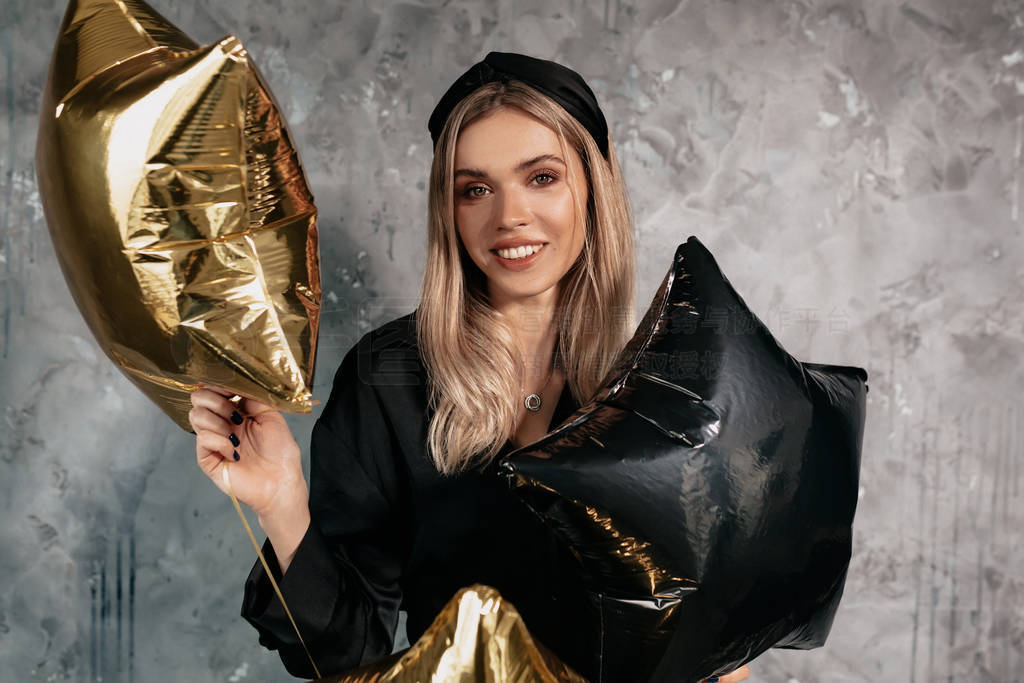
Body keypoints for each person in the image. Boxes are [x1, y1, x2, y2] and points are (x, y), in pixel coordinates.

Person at [189, 52, 750, 683]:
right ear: (448, 211)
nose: (509, 215)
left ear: (593, 187)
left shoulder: (668, 377)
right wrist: (283, 503)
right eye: (475, 189)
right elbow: (349, 657)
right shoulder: (388, 380)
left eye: (542, 177)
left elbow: (714, 644)